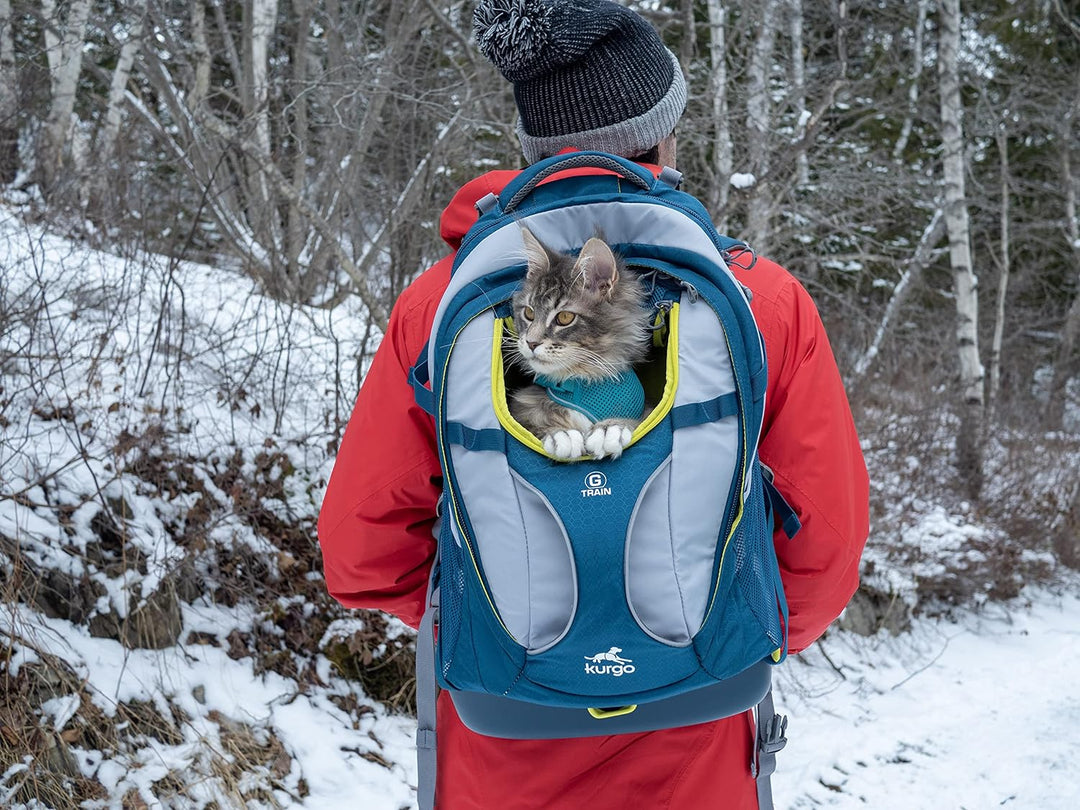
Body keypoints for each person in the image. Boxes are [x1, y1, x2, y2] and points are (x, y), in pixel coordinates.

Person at [318, 1, 870, 807]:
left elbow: (360, 551)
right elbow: (826, 547)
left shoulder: (438, 306)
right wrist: (715, 630)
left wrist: (496, 620)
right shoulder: (762, 300)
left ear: (536, 149)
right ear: (659, 137)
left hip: (498, 743)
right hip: (700, 744)